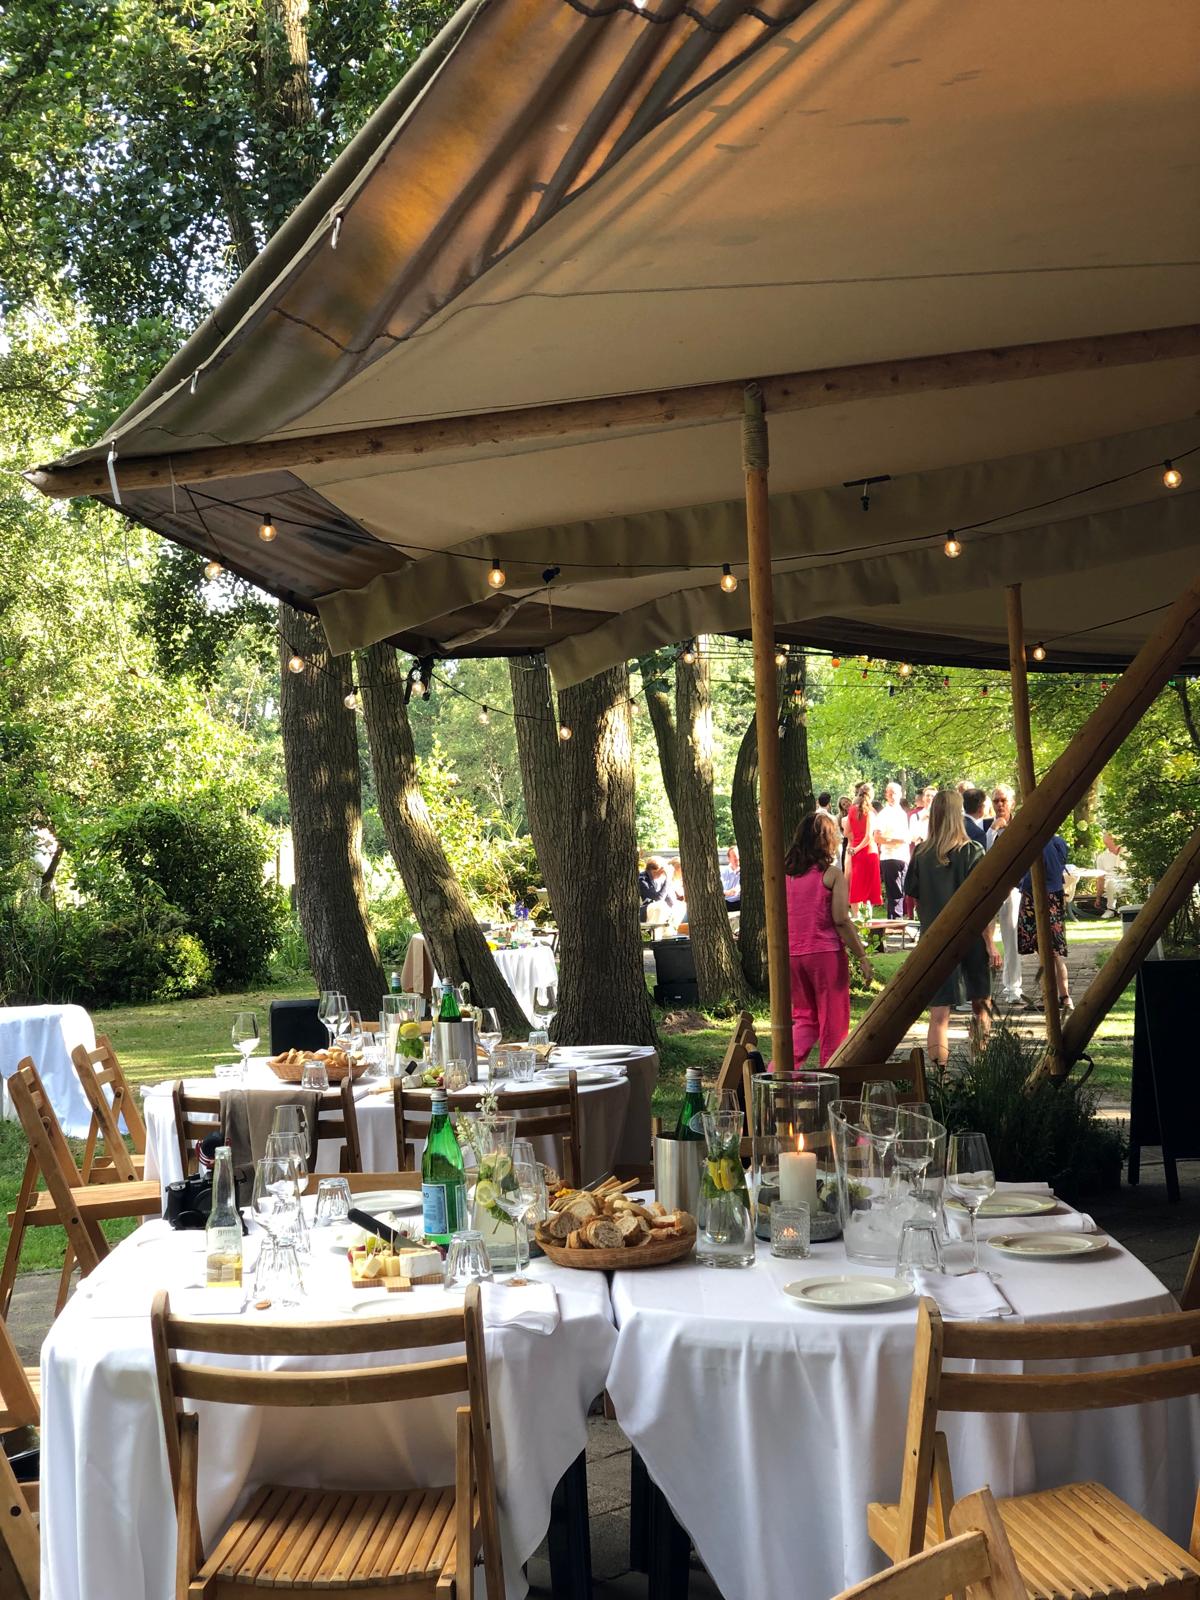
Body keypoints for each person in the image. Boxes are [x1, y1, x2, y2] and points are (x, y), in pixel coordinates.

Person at [905, 789, 1001, 1066]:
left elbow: (915, 897)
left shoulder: (921, 854)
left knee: (939, 1014)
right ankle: (980, 1071)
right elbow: (984, 904)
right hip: (971, 939)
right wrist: (990, 942)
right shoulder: (972, 852)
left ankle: (940, 1078)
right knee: (981, 1006)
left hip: (934, 941)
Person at [784, 811, 873, 1065]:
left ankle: (779, 1074)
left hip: (793, 955)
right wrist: (862, 956)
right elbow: (841, 919)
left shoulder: (785, 876)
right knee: (833, 1022)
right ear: (827, 839)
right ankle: (832, 1081)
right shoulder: (831, 874)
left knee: (804, 1019)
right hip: (825, 956)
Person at [1017, 833, 1072, 1011]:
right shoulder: (1057, 841)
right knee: (1050, 951)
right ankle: (1061, 997)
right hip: (1054, 895)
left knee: (1047, 950)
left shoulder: (1032, 840)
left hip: (1038, 897)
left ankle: (1056, 997)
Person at [986, 784, 1023, 1006]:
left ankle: (1013, 988)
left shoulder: (1019, 825)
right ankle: (983, 989)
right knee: (984, 939)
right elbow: (984, 858)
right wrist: (992, 831)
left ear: (1012, 802)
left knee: (1011, 939)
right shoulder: (987, 828)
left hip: (1012, 889)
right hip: (989, 890)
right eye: (996, 801)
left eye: (1003, 801)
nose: (1000, 805)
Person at [873, 780, 910, 918]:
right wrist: (896, 841)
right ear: (886, 795)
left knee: (902, 890)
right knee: (894, 892)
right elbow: (877, 838)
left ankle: (899, 920)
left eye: (895, 793)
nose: (893, 796)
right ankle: (894, 921)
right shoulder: (884, 814)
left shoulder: (902, 813)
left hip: (904, 856)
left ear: (900, 794)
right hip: (890, 856)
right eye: (890, 793)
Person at [845, 783, 882, 913]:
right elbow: (868, 836)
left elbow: (846, 832)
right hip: (868, 852)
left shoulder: (851, 810)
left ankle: (857, 918)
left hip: (856, 852)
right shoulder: (870, 812)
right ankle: (868, 920)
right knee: (868, 889)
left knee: (856, 886)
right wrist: (858, 848)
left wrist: (855, 845)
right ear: (871, 795)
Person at [638, 856, 668, 922]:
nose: (663, 874)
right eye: (662, 871)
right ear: (654, 871)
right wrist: (668, 880)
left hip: (653, 912)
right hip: (640, 912)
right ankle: (656, 932)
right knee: (659, 907)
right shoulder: (641, 879)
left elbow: (670, 900)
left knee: (679, 907)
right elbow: (659, 898)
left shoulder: (659, 880)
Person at [721, 844, 741, 910]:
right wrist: (727, 893)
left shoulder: (746, 872)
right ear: (729, 859)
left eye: (738, 856)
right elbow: (717, 890)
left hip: (740, 902)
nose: (737, 858)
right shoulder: (723, 872)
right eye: (734, 856)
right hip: (726, 903)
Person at [836, 796, 852, 871]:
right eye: (843, 804)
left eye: (846, 801)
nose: (846, 804)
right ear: (842, 807)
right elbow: (842, 832)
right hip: (847, 840)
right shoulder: (840, 817)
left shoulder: (859, 809)